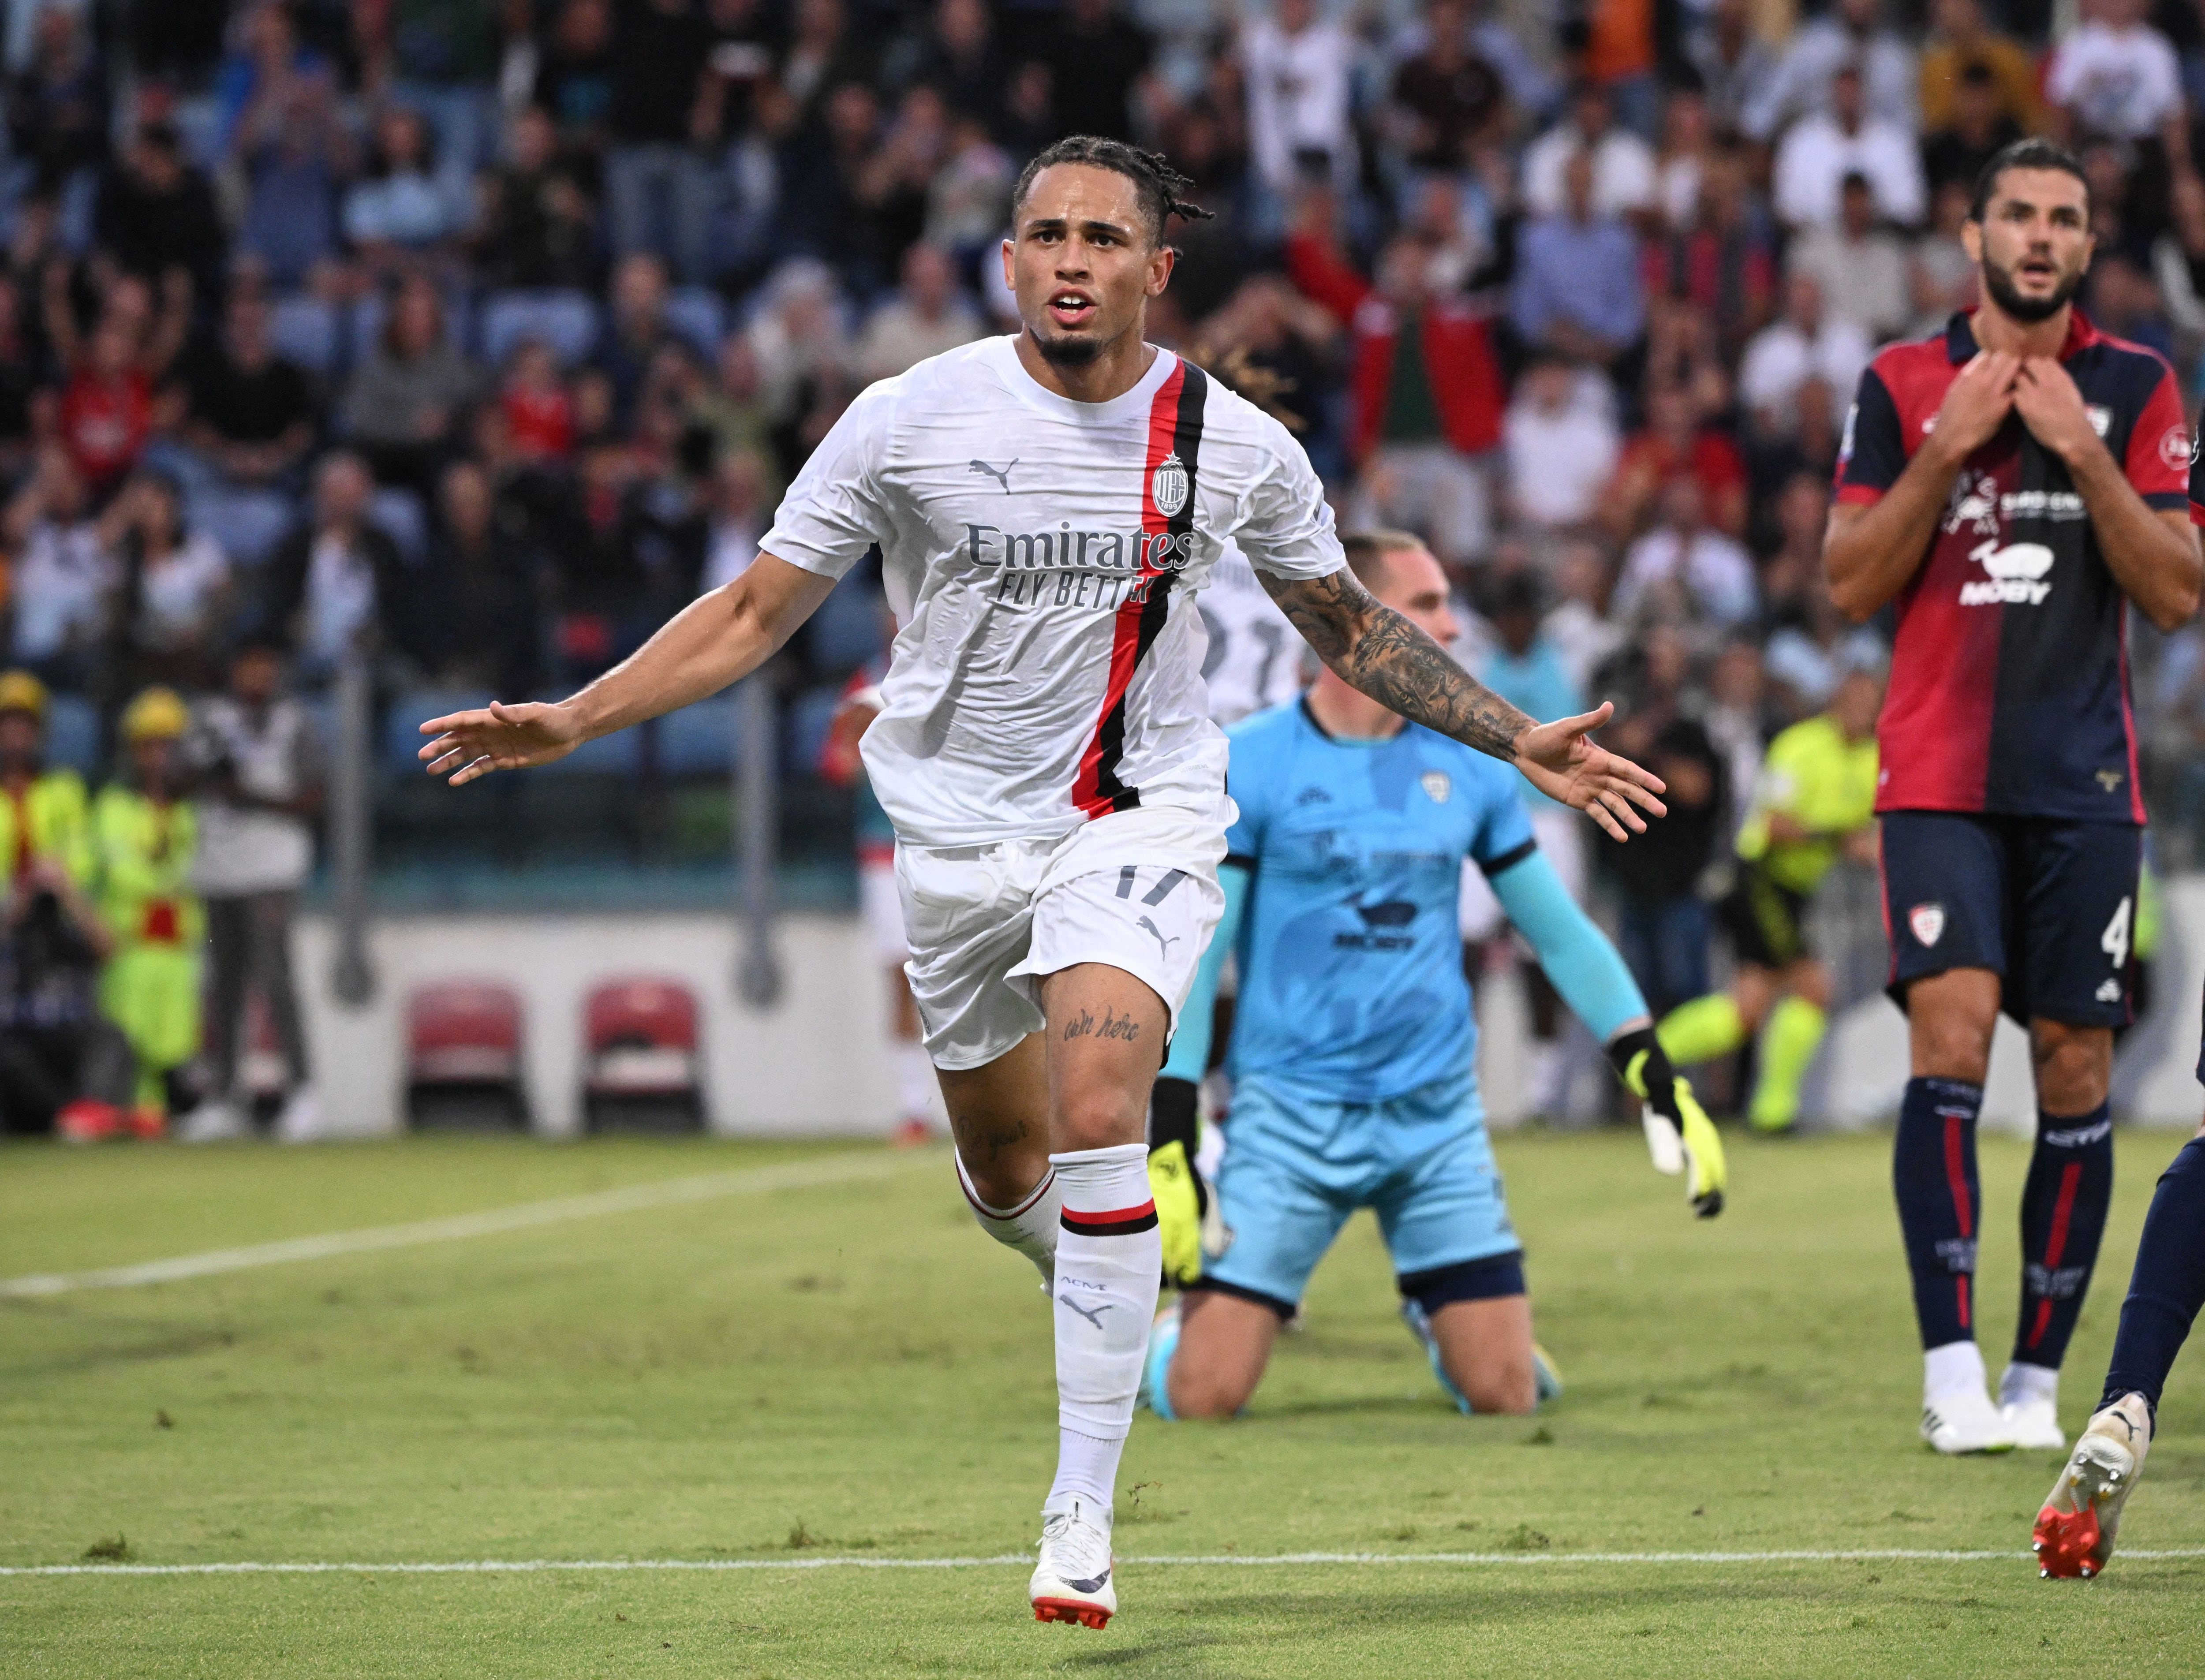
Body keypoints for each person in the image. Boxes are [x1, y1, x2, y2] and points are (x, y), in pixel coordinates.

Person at [415, 136, 1666, 1631]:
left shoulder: (1227, 440)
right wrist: (574, 716)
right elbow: (756, 610)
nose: (1072, 260)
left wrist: (1519, 733)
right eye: (1045, 234)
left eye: (1102, 238)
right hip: (952, 839)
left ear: (1157, 267)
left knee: (1098, 1125)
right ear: (1010, 258)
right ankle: (1087, 1278)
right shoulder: (909, 418)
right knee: (1018, 1176)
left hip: (1133, 822)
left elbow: (1346, 623)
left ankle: (1080, 1514)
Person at [1138, 531, 1724, 1421]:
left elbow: (1559, 934)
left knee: (1505, 1393)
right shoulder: (1249, 762)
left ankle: (1439, 1309)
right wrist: (1172, 1123)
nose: (1452, 623)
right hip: (1292, 1120)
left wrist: (1650, 1069)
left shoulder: (1474, 766)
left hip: (1434, 1123)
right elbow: (1203, 950)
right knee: (1204, 1396)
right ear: (1356, 623)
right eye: (1426, 604)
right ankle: (1174, 1336)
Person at [1824, 138, 2203, 1456]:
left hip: (2085, 782)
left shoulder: (2135, 385)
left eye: (2062, 219)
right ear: (1971, 233)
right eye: (2016, 215)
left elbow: (2172, 590)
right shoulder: (1897, 381)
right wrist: (1947, 453)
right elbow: (1847, 579)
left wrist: (2074, 453)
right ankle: (1949, 1376)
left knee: (2072, 1063)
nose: (2038, 237)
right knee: (1951, 1035)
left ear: (2088, 248)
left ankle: (2038, 1385)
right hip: (1935, 773)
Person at [1656, 665, 1881, 1133]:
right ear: (1836, 703)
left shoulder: (1871, 758)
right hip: (1759, 880)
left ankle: (1647, 1058)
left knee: (1747, 1008)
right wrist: (1838, 838)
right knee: (1813, 989)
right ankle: (1772, 1111)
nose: (1863, 713)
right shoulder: (1799, 746)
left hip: (1795, 891)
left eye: (1870, 705)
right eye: (1855, 703)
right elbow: (1777, 826)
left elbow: (1865, 836)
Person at [182, 643, 325, 1145]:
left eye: (267, 667)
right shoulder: (210, 719)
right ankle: (223, 1096)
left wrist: (248, 796)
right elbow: (178, 778)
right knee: (222, 986)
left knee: (274, 977)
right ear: (235, 669)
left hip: (272, 867)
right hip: (219, 866)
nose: (258, 675)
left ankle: (303, 1093)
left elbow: (314, 797)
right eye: (250, 666)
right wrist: (205, 765)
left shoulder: (293, 723)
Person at [93, 686, 203, 1136]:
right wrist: (167, 879)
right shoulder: (115, 807)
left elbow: (196, 870)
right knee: (131, 1038)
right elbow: (125, 873)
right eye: (150, 746)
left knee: (174, 1043)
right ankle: (133, 1118)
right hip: (132, 945)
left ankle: (161, 1121)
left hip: (176, 946)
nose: (159, 757)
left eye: (168, 746)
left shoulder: (189, 811)